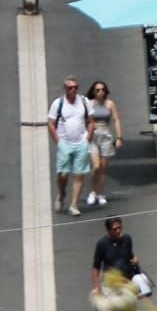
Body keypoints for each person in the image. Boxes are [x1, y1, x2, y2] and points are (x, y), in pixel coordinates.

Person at [90, 213, 140, 311]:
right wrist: (95, 287)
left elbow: (130, 256)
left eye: (119, 228)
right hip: (110, 284)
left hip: (126, 281)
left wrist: (135, 260)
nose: (118, 231)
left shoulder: (127, 239)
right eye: (115, 229)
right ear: (108, 230)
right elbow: (96, 266)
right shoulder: (101, 244)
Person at [47, 75, 93, 216]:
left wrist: (87, 138)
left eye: (75, 87)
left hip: (81, 142)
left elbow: (91, 121)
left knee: (79, 174)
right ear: (65, 89)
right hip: (64, 143)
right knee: (63, 174)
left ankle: (73, 204)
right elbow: (51, 123)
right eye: (70, 88)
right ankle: (62, 194)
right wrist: (58, 141)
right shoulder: (58, 103)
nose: (73, 90)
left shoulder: (84, 101)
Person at [84, 78, 122, 208]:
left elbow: (116, 120)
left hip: (106, 134)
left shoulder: (110, 104)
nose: (100, 92)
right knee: (96, 166)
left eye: (102, 90)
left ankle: (100, 193)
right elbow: (84, 119)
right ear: (93, 92)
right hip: (93, 135)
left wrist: (119, 137)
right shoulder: (89, 103)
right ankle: (93, 192)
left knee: (104, 168)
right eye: (97, 90)